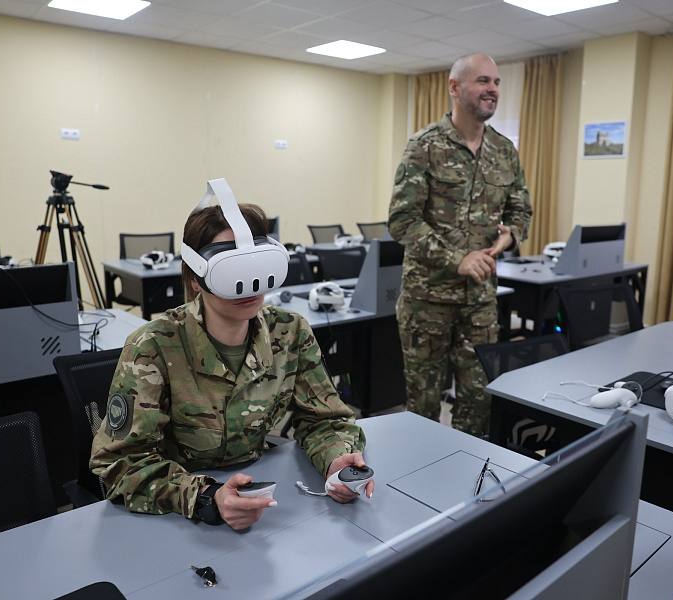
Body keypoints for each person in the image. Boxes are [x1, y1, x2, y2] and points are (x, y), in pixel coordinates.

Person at [90, 199, 374, 531]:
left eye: (256, 265)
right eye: (230, 268)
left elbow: (323, 420)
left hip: (260, 495)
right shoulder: (153, 346)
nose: (248, 283)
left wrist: (336, 461)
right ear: (196, 278)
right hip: (177, 517)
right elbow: (120, 463)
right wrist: (205, 497)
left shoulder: (290, 332)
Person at [388, 53, 532, 438]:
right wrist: (457, 258)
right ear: (455, 87)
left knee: (479, 403)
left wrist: (511, 233)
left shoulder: (504, 150)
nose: (493, 89)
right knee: (423, 408)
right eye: (483, 81)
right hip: (428, 302)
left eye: (497, 82)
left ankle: (468, 472)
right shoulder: (424, 146)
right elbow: (402, 221)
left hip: (480, 302)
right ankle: (420, 471)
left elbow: (520, 207)